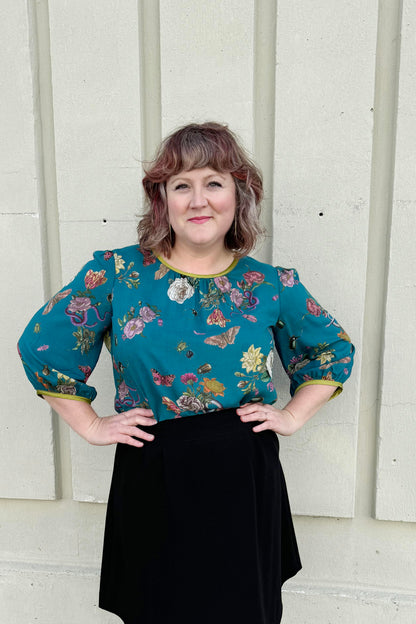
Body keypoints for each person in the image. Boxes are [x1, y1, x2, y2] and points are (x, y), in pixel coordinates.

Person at [18, 122, 354, 624]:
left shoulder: (270, 285)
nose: (199, 200)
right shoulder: (118, 275)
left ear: (238, 194)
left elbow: (330, 350)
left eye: (214, 182)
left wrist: (292, 415)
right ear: (163, 200)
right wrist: (90, 425)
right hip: (154, 472)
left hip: (242, 474)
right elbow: (44, 347)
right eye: (182, 185)